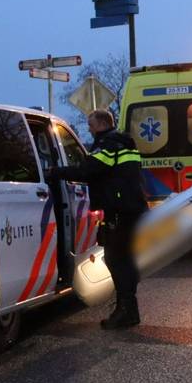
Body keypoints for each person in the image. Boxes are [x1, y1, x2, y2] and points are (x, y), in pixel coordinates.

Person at [51, 109, 148, 329]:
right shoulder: (124, 143)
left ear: (103, 123)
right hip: (130, 208)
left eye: (91, 124)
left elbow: (87, 170)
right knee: (124, 259)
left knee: (116, 259)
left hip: (119, 210)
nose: (89, 128)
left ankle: (125, 310)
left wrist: (55, 172)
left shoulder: (108, 145)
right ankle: (129, 310)